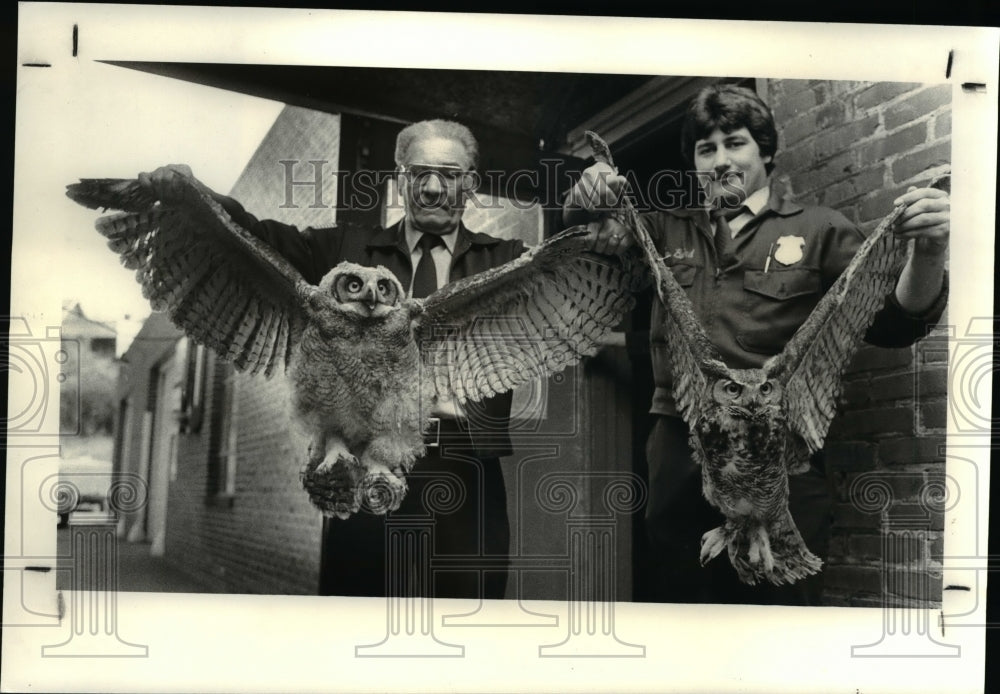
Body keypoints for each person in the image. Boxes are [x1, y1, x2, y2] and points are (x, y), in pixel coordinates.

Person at [141, 119, 623, 600]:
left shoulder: (504, 259)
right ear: (400, 177)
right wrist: (195, 194)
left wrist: (583, 215)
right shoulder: (345, 252)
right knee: (358, 619)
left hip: (465, 469)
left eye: (450, 175)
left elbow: (567, 258)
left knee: (470, 625)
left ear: (471, 184)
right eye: (419, 173)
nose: (433, 187)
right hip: (361, 462)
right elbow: (255, 236)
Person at [564, 84, 949, 605]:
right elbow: (586, 247)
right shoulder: (661, 229)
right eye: (706, 148)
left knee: (779, 610)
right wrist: (584, 200)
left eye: (735, 143)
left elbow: (895, 323)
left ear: (765, 150)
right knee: (682, 607)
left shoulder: (820, 230)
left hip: (780, 454)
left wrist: (928, 251)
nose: (721, 160)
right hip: (681, 449)